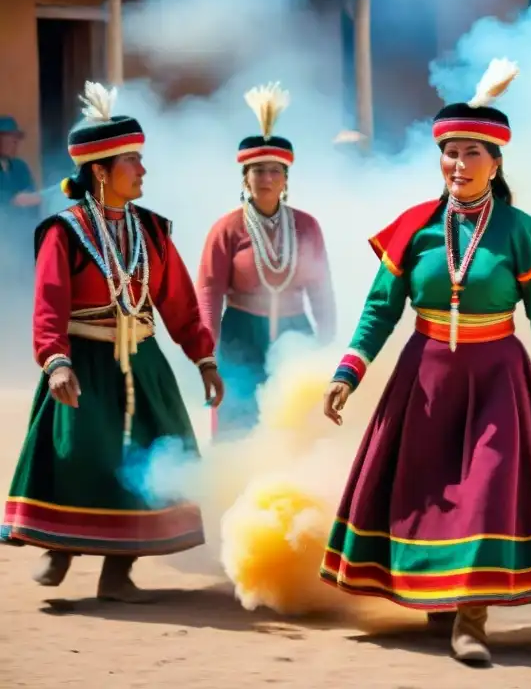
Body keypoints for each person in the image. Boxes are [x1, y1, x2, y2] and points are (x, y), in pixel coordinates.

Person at [319, 59, 531, 665]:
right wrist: (348, 373)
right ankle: (439, 602)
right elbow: (379, 309)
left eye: (473, 154)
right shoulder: (413, 229)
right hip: (425, 378)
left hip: (499, 377)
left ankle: (472, 618)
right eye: (451, 153)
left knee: (487, 488)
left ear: (496, 163)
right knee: (428, 491)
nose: (459, 165)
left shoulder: (520, 233)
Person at [0, 82, 225, 602]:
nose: (143, 171)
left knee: (151, 460)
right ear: (100, 171)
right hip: (85, 360)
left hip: (144, 362)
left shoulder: (152, 230)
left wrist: (203, 358)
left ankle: (119, 573)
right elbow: (49, 303)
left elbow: (179, 303)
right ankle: (58, 545)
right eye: (133, 162)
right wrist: (55, 362)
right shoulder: (65, 231)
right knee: (80, 451)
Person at [197, 83, 336, 439]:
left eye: (275, 171)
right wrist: (207, 352)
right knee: (239, 419)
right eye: (258, 171)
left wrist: (327, 343)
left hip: (295, 335)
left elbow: (321, 290)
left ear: (286, 179)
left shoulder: (306, 226)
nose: (266, 178)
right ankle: (234, 486)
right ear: (245, 178)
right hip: (241, 335)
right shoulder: (227, 229)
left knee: (294, 423)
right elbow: (210, 292)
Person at [0, 115, 43, 278]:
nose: (15, 143)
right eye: (10, 138)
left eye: (16, 138)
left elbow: (32, 196)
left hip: (21, 235)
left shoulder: (20, 167)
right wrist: (11, 200)